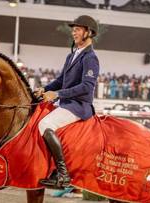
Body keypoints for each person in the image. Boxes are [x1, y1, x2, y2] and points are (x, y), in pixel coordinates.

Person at [34, 15, 100, 188]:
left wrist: (57, 94)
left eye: (77, 29)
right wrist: (45, 89)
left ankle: (62, 174)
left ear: (89, 32)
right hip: (66, 103)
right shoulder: (71, 56)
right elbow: (61, 79)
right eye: (73, 29)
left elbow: (87, 86)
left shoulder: (90, 58)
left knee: (45, 124)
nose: (74, 32)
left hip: (79, 106)